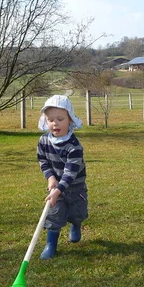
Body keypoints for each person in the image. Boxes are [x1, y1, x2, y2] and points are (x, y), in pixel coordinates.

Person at [37, 95, 88, 260]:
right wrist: (51, 178)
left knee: (77, 212)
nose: (55, 123)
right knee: (54, 213)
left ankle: (76, 224)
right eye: (50, 119)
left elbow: (70, 172)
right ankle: (51, 244)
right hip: (56, 186)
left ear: (70, 121)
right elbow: (43, 160)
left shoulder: (74, 146)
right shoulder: (44, 141)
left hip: (74, 186)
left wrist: (59, 189)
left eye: (60, 119)